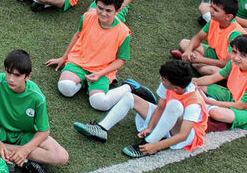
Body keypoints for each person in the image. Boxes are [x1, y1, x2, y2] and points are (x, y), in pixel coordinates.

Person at [73, 60, 208, 159]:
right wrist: (149, 127)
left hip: (185, 134)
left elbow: (183, 135)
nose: (161, 80)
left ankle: (149, 143)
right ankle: (101, 128)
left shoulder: (194, 102)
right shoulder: (169, 84)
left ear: (177, 88)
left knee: (174, 106)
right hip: (168, 120)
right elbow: (160, 108)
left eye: (164, 79)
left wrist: (156, 147)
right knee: (129, 97)